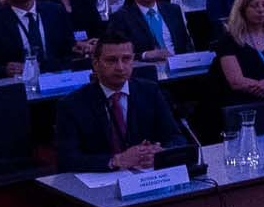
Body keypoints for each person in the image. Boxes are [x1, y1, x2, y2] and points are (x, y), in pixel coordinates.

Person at [55, 30, 186, 169]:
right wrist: (115, 161)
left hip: (146, 174)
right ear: (95, 64)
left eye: (126, 59)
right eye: (111, 60)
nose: (120, 67)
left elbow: (177, 138)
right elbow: (67, 159)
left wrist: (160, 152)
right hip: (101, 177)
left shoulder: (149, 91)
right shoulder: (72, 105)